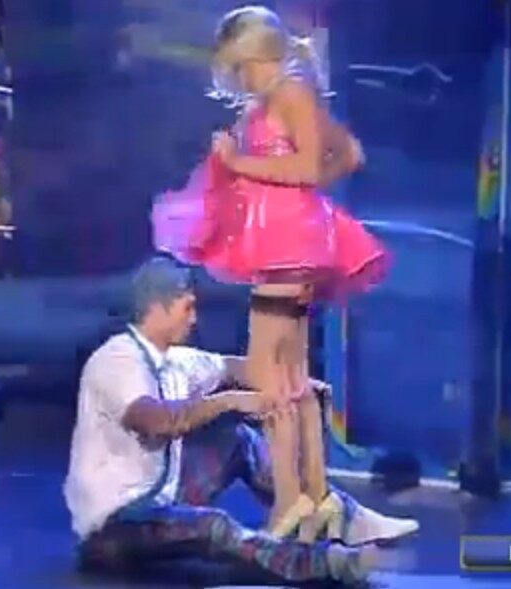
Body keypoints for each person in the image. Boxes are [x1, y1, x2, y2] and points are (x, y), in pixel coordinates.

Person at [152, 5, 388, 540]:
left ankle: (290, 500)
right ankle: (313, 496)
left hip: (288, 246)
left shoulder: (292, 92)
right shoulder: (281, 96)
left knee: (267, 374)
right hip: (285, 244)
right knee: (289, 376)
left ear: (255, 56)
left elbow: (309, 166)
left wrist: (243, 164)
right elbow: (348, 153)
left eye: (239, 67)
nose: (237, 79)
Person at [65, 257, 416, 585]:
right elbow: (156, 421)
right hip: (115, 530)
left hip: (160, 501)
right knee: (214, 526)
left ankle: (344, 517)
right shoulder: (118, 359)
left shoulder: (175, 360)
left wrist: (294, 385)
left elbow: (236, 368)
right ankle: (325, 563)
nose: (194, 319)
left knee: (239, 441)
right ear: (157, 307)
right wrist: (229, 400)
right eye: (187, 307)